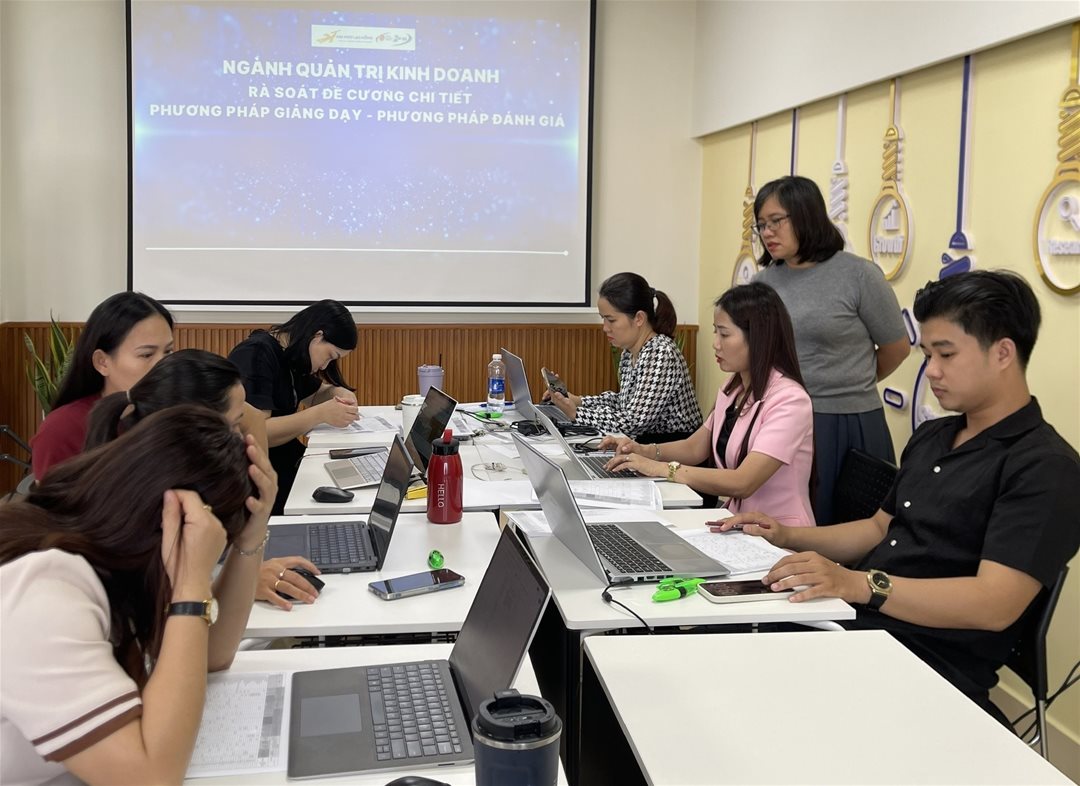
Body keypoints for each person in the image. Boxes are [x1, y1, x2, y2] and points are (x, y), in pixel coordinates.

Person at [714, 271, 1080, 725]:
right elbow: (877, 528)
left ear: (1003, 353)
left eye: (946, 354)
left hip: (928, 663)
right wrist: (786, 535)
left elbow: (994, 604)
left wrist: (860, 585)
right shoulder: (934, 436)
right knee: (719, 645)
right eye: (928, 355)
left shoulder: (1044, 467)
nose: (933, 371)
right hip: (859, 624)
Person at [0, 406, 277, 786]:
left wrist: (252, 531)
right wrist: (191, 584)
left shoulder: (105, 559)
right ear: (174, 525)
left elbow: (211, 656)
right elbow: (150, 778)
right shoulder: (43, 592)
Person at [84, 349, 321, 611]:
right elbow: (172, 603)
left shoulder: (177, 483)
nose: (242, 441)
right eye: (236, 425)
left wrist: (248, 549)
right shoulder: (144, 510)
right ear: (195, 429)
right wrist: (234, 581)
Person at [752, 176, 910, 523]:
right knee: (784, 524)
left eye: (776, 221)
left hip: (847, 421)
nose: (767, 232)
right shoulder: (763, 283)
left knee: (847, 527)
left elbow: (896, 347)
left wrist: (850, 381)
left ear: (805, 215)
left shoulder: (859, 275)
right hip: (780, 416)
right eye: (761, 225)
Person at [602, 282, 815, 525]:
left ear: (758, 338)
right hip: (736, 522)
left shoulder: (790, 400)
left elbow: (743, 482)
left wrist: (661, 469)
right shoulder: (733, 387)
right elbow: (695, 448)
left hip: (778, 529)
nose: (715, 343)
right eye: (715, 332)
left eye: (724, 334)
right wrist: (643, 450)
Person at [228, 300, 360, 514]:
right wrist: (319, 414)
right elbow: (257, 433)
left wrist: (338, 393)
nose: (325, 366)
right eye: (330, 356)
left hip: (286, 463)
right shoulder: (256, 354)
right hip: (259, 477)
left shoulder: (290, 354)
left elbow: (317, 394)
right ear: (317, 336)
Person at [30, 292, 174, 480]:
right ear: (102, 362)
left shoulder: (174, 414)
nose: (164, 365)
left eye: (168, 351)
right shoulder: (62, 429)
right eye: (146, 355)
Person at [546, 272, 702, 442]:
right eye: (603, 319)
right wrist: (578, 401)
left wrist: (576, 413)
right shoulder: (629, 352)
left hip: (673, 449)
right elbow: (623, 403)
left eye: (611, 320)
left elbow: (633, 422)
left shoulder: (661, 353)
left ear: (639, 318)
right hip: (648, 445)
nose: (605, 328)